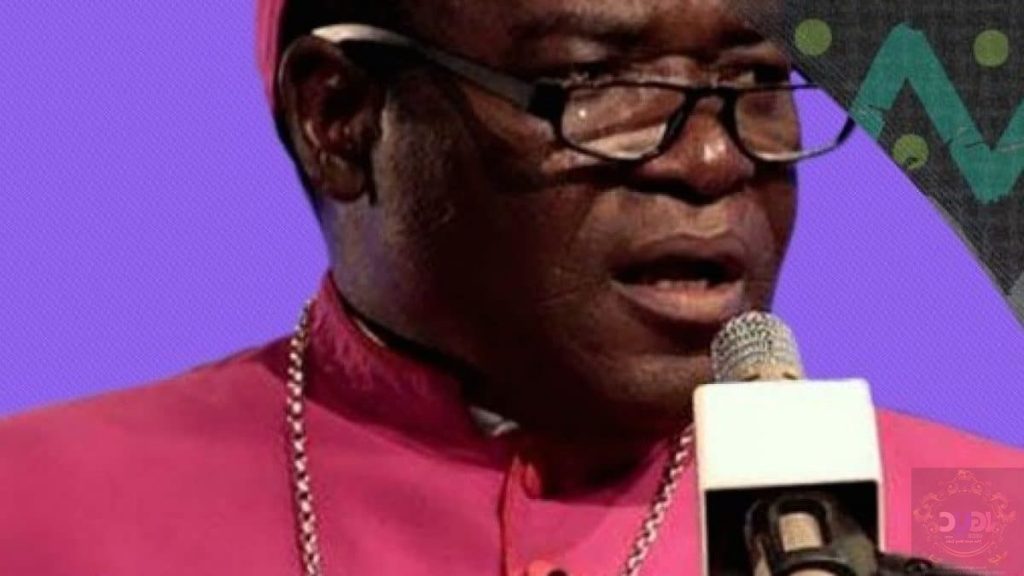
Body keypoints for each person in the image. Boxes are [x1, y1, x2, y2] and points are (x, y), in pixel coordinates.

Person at [1, 1, 1021, 574]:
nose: (713, 159)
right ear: (340, 119)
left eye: (756, 84)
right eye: (596, 84)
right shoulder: (35, 510)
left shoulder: (986, 522)